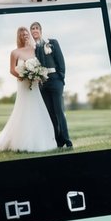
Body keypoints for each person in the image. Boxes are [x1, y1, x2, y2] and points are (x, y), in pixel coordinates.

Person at [0, 26, 57, 154]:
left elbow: (41, 66)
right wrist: (25, 76)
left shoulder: (35, 50)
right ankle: (22, 142)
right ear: (19, 37)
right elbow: (12, 70)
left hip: (34, 85)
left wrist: (37, 76)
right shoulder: (15, 53)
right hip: (23, 84)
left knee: (37, 108)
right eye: (22, 35)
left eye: (26, 33)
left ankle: (42, 141)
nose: (25, 36)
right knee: (24, 109)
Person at [30, 20, 72, 148]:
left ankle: (67, 140)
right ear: (31, 33)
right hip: (43, 84)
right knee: (50, 113)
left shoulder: (52, 43)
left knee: (59, 111)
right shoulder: (32, 48)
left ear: (41, 31)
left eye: (36, 28)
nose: (35, 30)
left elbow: (61, 61)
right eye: (32, 29)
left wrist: (61, 78)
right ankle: (58, 142)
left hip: (56, 81)